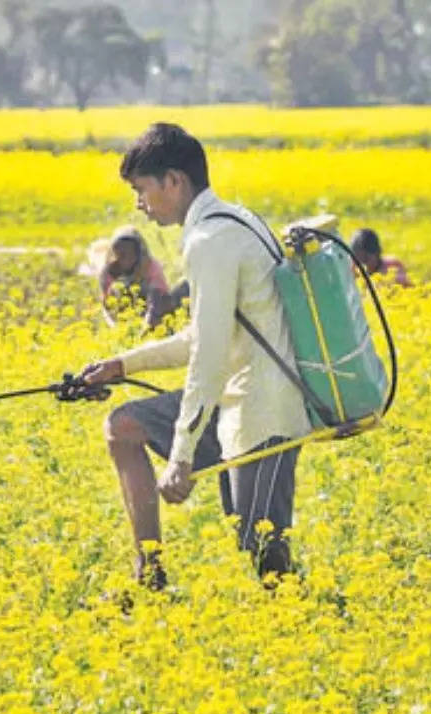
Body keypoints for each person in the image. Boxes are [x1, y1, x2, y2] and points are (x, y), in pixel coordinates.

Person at [80, 123, 311, 589]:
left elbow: (206, 354)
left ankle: (321, 631)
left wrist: (181, 456)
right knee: (123, 427)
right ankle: (151, 574)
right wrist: (122, 365)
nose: (138, 205)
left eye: (141, 189)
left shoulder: (210, 241)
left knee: (264, 552)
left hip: (264, 410)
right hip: (233, 400)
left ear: (174, 181)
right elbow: (202, 336)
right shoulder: (232, 220)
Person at [96, 225, 174, 328]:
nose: (124, 255)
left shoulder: (150, 265)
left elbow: (159, 294)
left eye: (128, 250)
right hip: (123, 315)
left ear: (138, 250)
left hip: (151, 308)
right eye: (120, 251)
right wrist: (118, 328)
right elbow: (107, 304)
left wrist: (148, 324)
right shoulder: (108, 271)